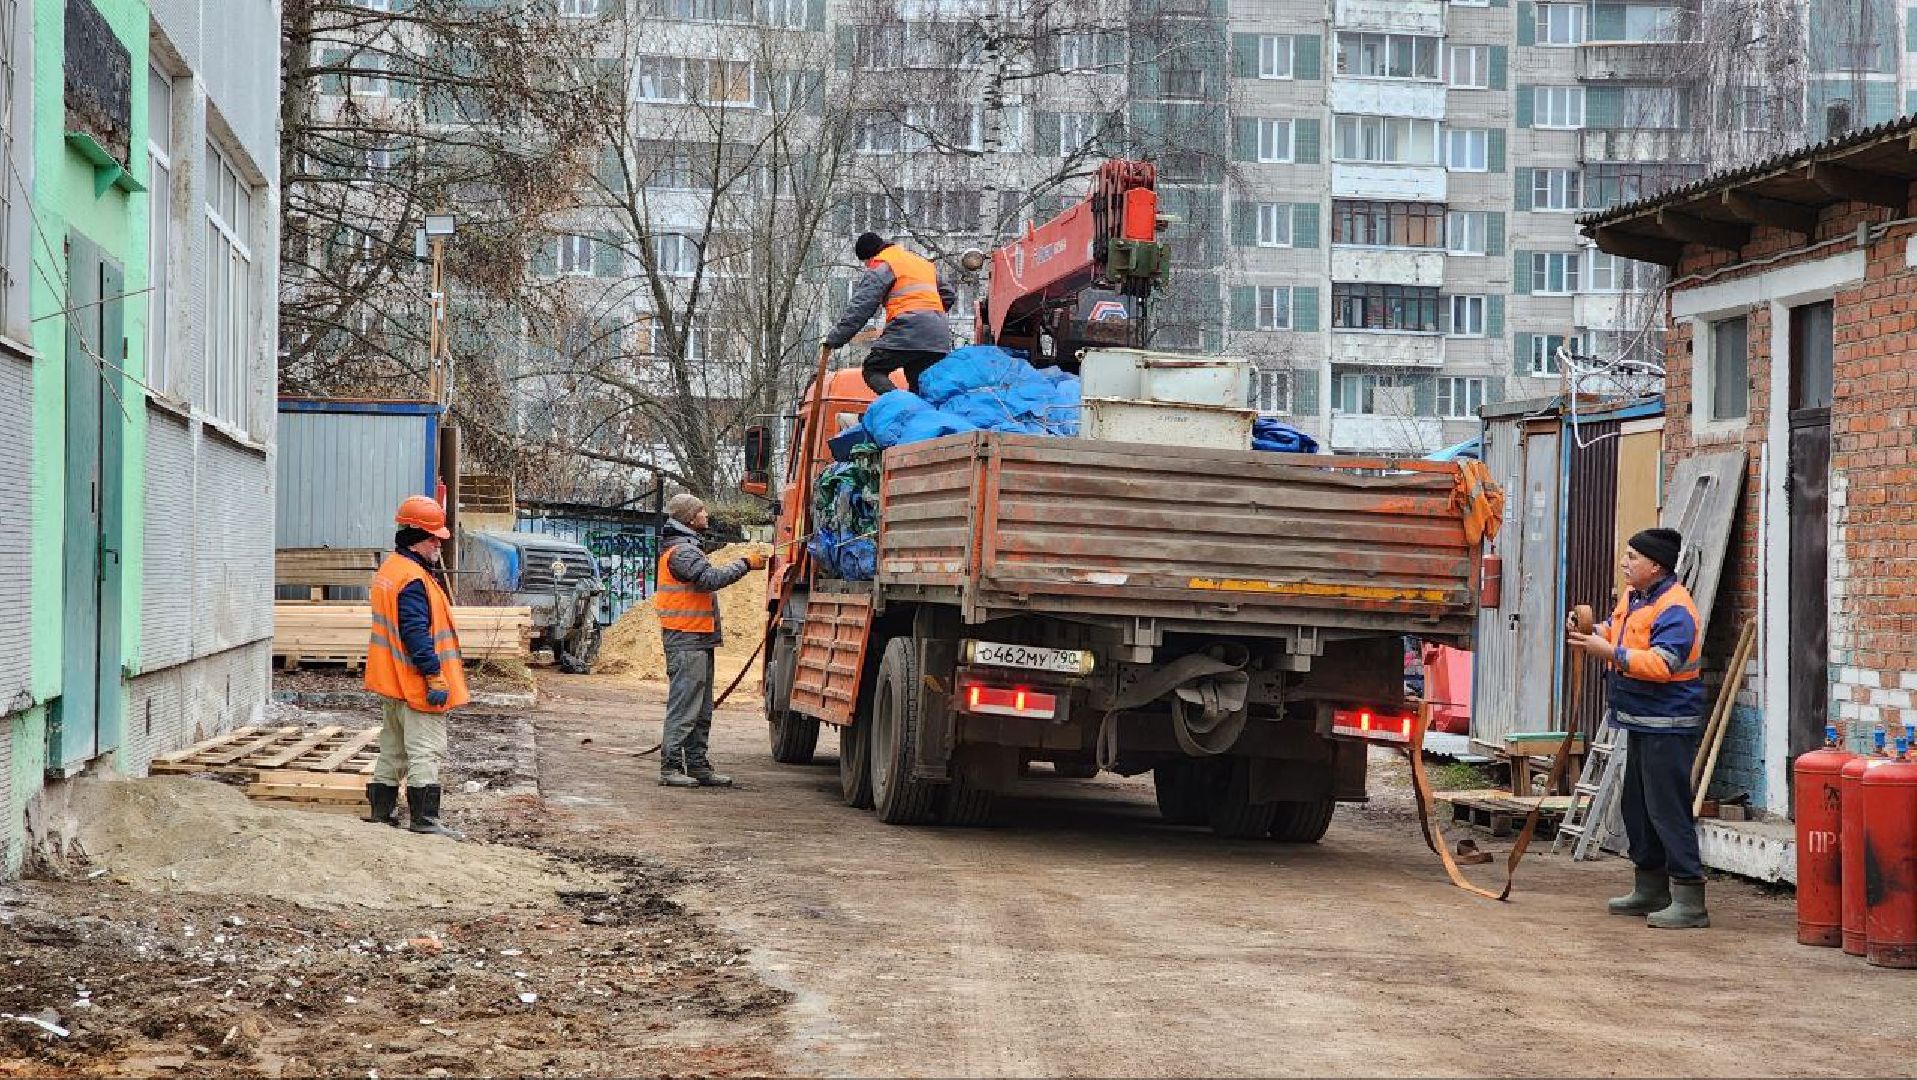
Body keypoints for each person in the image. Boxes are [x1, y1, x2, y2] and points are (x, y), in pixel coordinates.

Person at [1565, 527, 1709, 929]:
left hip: (1669, 722)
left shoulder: (1676, 608)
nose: (1624, 563)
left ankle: (1689, 895)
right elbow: (1618, 634)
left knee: (1668, 809)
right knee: (1638, 807)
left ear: (1656, 565)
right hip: (1640, 719)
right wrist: (1589, 631)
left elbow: (1663, 664)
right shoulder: (1635, 598)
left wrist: (1609, 652)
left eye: (1632, 556)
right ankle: (1650, 887)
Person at [364, 495, 470, 839]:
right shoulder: (413, 579)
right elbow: (414, 633)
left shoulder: (391, 570)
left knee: (392, 747)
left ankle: (381, 812)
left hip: (392, 681)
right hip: (415, 684)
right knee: (425, 749)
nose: (438, 544)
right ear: (417, 538)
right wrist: (434, 675)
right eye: (433, 538)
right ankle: (425, 820)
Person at [654, 493, 768, 788]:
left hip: (696, 637)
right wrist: (745, 563)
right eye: (701, 510)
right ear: (690, 518)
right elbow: (710, 579)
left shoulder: (686, 547)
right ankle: (671, 768)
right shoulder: (682, 552)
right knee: (685, 706)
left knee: (701, 708)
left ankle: (697, 765)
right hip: (686, 638)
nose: (706, 514)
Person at [824, 232, 958, 396]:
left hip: (908, 330)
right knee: (920, 386)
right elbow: (949, 295)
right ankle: (918, 415)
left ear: (869, 257)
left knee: (873, 369)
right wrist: (929, 315)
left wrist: (834, 339)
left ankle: (900, 405)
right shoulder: (920, 262)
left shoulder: (882, 265)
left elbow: (860, 308)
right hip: (938, 338)